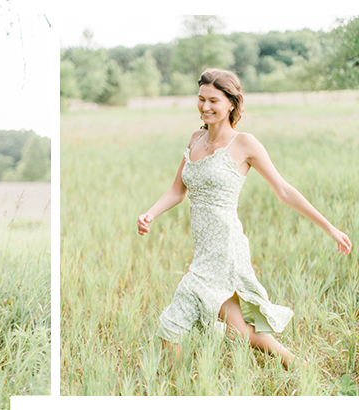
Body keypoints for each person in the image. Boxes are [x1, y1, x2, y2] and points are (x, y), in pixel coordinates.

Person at [137, 68, 351, 368]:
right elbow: (177, 190)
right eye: (201, 99)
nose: (205, 107)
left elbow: (284, 191)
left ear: (231, 103)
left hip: (225, 248)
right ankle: (298, 366)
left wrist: (330, 228)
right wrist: (150, 213)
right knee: (243, 332)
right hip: (204, 250)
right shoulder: (195, 139)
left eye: (214, 100)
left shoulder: (244, 144)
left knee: (172, 325)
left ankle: (182, 385)